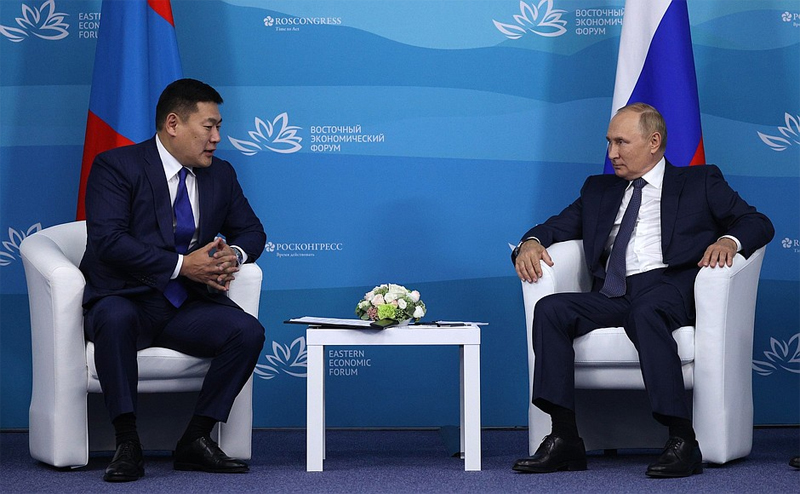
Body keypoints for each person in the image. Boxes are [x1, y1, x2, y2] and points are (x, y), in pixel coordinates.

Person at [510, 103, 774, 478]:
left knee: (646, 311)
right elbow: (555, 226)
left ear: (653, 142)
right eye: (609, 142)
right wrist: (531, 242)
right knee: (551, 309)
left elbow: (757, 222)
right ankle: (565, 437)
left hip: (668, 288)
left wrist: (729, 241)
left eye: (621, 142)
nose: (612, 153)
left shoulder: (699, 181)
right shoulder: (598, 189)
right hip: (612, 293)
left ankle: (682, 440)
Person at [79, 78, 267, 482]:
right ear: (173, 124)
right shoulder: (117, 166)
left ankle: (195, 439)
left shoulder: (221, 174)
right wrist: (183, 265)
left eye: (219, 127)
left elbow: (252, 232)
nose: (217, 138)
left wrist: (231, 256)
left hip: (186, 306)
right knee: (114, 318)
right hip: (126, 298)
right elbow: (109, 241)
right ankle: (127, 443)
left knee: (247, 332)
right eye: (209, 127)